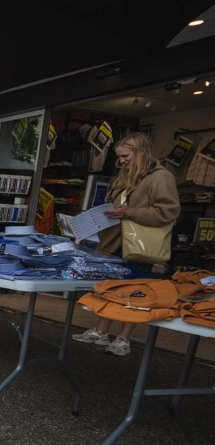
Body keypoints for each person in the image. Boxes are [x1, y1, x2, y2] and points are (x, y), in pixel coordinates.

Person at [72, 132, 180, 356]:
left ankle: (123, 339)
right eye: (119, 157)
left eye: (125, 156)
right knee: (109, 289)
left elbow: (168, 212)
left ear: (141, 152)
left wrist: (130, 213)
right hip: (113, 242)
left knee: (133, 293)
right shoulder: (125, 175)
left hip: (138, 246)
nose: (121, 161)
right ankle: (101, 332)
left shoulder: (161, 177)